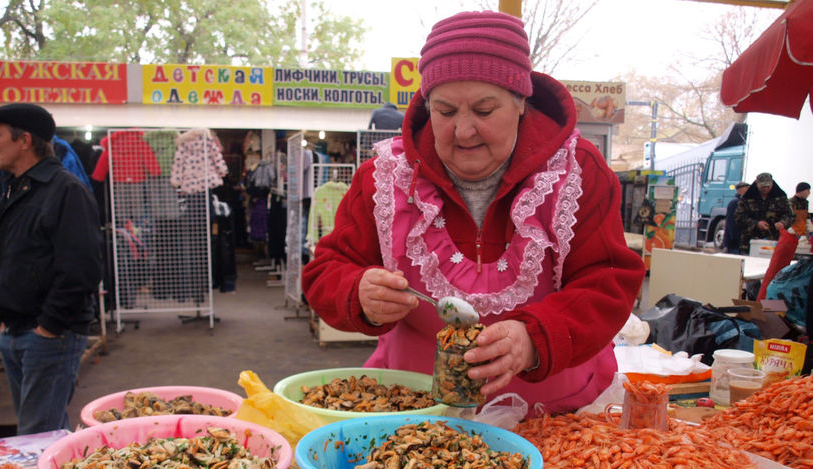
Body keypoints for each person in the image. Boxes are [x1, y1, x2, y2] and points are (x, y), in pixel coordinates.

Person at [302, 11, 646, 418]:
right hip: (417, 413)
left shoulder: (578, 171)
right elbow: (325, 270)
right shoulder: (383, 177)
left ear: (521, 101)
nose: (464, 131)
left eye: (484, 111)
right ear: (427, 105)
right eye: (445, 112)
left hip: (555, 416)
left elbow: (606, 282)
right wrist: (357, 291)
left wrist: (535, 338)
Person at [0, 103, 103, 434]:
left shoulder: (65, 190)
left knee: (38, 437)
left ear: (24, 140)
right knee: (35, 433)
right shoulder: (17, 188)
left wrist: (48, 327)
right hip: (17, 331)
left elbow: (83, 269)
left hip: (49, 336)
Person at [734, 172, 793, 255]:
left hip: (774, 241)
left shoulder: (780, 197)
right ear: (757, 184)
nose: (765, 189)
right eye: (762, 187)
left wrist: (782, 223)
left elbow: (790, 215)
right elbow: (738, 217)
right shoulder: (747, 197)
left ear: (772, 184)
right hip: (750, 242)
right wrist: (756, 223)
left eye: (768, 186)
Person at [722, 181, 750, 254]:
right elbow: (731, 223)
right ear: (741, 190)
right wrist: (736, 238)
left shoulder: (743, 202)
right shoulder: (735, 203)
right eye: (747, 189)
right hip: (734, 243)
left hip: (738, 242)